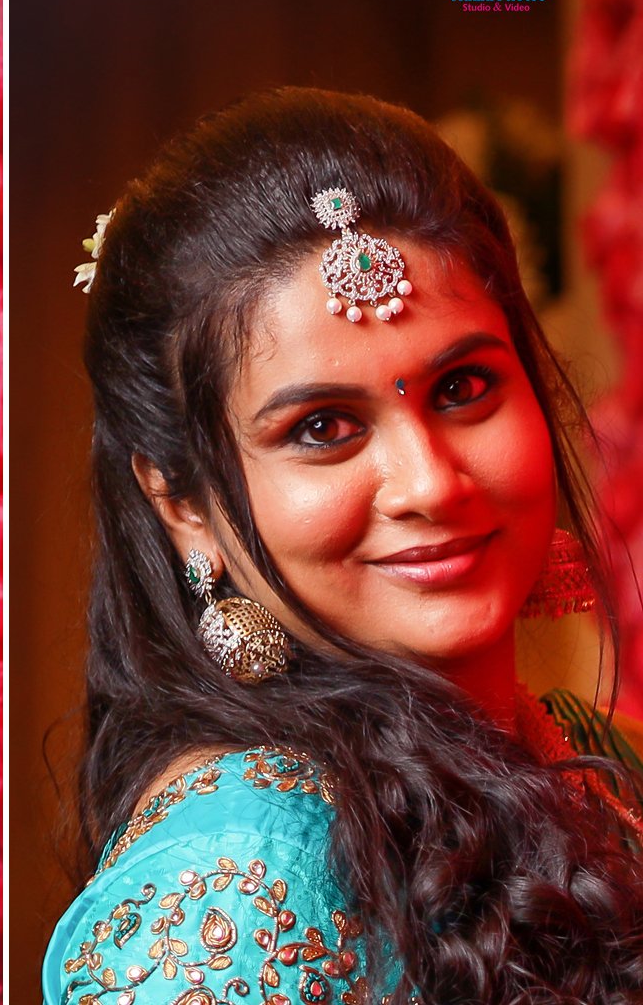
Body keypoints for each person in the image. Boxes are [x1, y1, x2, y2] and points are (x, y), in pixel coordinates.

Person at [44, 88, 643, 1003]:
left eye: (463, 387)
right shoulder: (238, 888)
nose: (431, 481)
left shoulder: (581, 754)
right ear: (182, 503)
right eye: (323, 427)